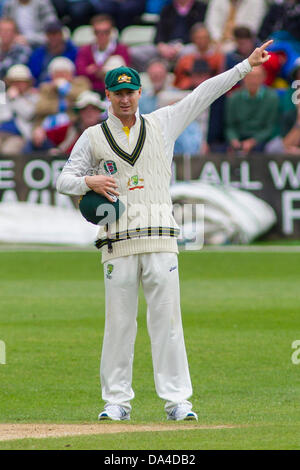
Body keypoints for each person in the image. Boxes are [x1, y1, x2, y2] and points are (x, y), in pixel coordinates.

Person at [56, 41, 273, 421]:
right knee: (119, 326)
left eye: (131, 92)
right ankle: (117, 402)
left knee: (168, 323)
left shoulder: (162, 122)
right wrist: (89, 181)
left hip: (160, 238)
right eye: (118, 93)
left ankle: (178, 401)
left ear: (141, 93)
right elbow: (63, 180)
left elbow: (203, 94)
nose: (125, 99)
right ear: (108, 95)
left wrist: (245, 66)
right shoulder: (93, 137)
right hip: (117, 242)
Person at [29, 57, 91, 153]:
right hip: (46, 130)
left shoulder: (80, 83)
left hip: (71, 128)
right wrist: (63, 105)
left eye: (64, 74)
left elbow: (84, 98)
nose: (60, 77)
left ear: (71, 74)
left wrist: (65, 88)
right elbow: (39, 107)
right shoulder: (46, 88)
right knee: (30, 144)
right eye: (57, 75)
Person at [225, 65, 279, 153]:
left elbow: (270, 127)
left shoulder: (272, 98)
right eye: (250, 76)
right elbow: (230, 126)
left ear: (263, 78)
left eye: (257, 77)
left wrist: (253, 141)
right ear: (244, 78)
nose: (253, 80)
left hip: (261, 141)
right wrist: (234, 140)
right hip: (239, 139)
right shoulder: (233, 98)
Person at [75, 14, 130, 97]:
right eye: (97, 32)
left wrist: (95, 70)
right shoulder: (85, 50)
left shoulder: (121, 49)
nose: (101, 35)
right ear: (93, 32)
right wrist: (105, 71)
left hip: (114, 92)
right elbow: (80, 71)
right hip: (90, 92)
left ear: (111, 32)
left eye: (106, 32)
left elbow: (123, 74)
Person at [0, 64, 38, 154]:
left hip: (19, 136)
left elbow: (29, 114)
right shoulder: (3, 97)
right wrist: (8, 98)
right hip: (1, 133)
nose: (18, 85)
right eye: (14, 82)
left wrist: (16, 99)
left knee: (8, 151)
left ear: (28, 83)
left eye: (21, 82)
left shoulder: (34, 97)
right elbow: (3, 116)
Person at [28, 20, 78, 85]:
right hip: (44, 89)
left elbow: (77, 73)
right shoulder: (38, 54)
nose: (53, 37)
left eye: (55, 33)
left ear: (61, 34)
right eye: (50, 34)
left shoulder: (73, 51)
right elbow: (33, 75)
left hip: (70, 87)